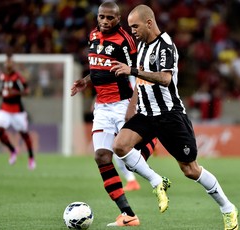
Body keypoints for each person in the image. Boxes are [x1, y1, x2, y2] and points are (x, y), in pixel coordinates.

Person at [110, 4, 239, 230]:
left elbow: (165, 78)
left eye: (135, 26)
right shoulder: (141, 45)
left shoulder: (166, 46)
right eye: (130, 27)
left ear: (149, 23)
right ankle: (157, 181)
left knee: (190, 170)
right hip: (147, 114)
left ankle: (228, 208)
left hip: (170, 116)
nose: (133, 31)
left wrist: (132, 71)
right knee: (120, 146)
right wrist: (132, 105)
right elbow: (141, 81)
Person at [71, 1, 170, 227]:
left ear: (118, 19)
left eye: (110, 18)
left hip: (122, 103)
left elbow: (137, 73)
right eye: (101, 17)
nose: (105, 21)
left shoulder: (126, 41)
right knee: (102, 157)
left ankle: (153, 138)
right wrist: (85, 81)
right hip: (102, 107)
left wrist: (132, 105)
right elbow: (99, 66)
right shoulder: (93, 35)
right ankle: (128, 214)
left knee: (129, 156)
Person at [0, 55, 36, 170]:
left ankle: (31, 158)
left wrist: (15, 93)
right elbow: (3, 90)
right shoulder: (2, 76)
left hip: (17, 111)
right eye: (7, 62)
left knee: (24, 134)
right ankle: (13, 150)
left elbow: (27, 91)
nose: (8, 65)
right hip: (4, 108)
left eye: (10, 63)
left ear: (13, 64)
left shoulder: (18, 77)